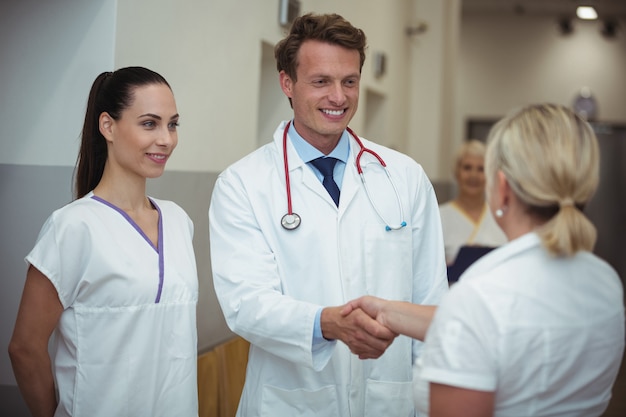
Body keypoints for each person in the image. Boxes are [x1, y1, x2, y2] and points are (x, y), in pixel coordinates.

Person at [209, 12, 448, 417]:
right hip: (291, 401)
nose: (338, 97)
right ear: (287, 83)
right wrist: (326, 323)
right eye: (321, 81)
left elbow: (430, 297)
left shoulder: (404, 177)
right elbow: (246, 304)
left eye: (349, 81)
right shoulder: (243, 184)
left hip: (388, 400)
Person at [344, 103, 625, 416]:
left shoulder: (482, 296)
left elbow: (483, 319)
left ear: (502, 190)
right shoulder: (606, 282)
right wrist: (387, 311)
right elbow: (500, 327)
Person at [8, 67, 199, 417]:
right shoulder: (72, 227)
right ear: (108, 126)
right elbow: (24, 347)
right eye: (149, 123)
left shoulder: (178, 221)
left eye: (172, 124)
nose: (166, 139)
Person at [439, 140, 507, 267]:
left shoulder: (502, 215)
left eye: (481, 169)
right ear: (456, 172)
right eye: (467, 167)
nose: (473, 175)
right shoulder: (438, 216)